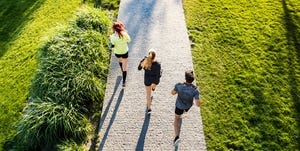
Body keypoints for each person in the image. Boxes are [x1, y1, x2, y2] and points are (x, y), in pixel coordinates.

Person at [171, 70, 201, 146]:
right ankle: (182, 113)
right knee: (183, 112)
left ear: (185, 78)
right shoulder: (195, 90)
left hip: (179, 106)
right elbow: (197, 104)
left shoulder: (179, 85)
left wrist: (177, 90)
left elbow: (172, 93)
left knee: (176, 118)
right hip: (188, 106)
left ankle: (176, 137)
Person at [138, 49, 161, 115]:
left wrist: (142, 61)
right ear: (155, 56)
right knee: (154, 86)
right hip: (154, 79)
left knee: (148, 94)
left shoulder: (145, 61)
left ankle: (149, 108)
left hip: (147, 79)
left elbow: (139, 68)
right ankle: (153, 87)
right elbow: (158, 75)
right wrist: (156, 83)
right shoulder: (157, 64)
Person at [110, 21, 131, 86]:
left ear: (114, 29)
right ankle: (124, 82)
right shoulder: (125, 34)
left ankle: (122, 70)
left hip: (117, 52)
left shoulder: (112, 37)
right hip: (124, 51)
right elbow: (129, 40)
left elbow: (112, 45)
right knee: (125, 67)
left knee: (120, 60)